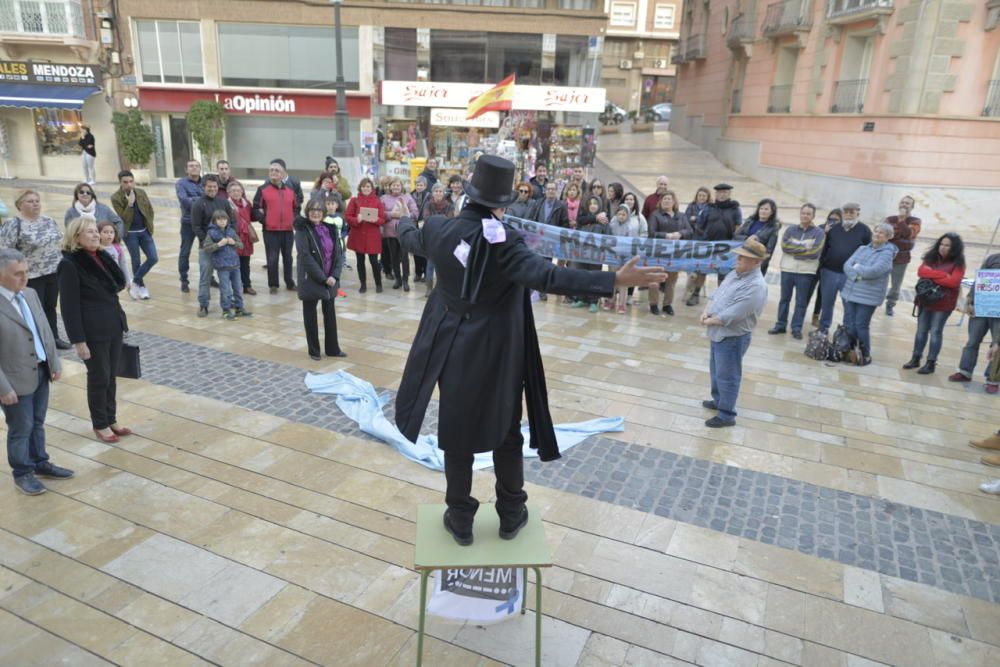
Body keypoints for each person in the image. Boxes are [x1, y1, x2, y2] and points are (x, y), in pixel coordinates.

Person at [395, 155, 667, 545]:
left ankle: (460, 518)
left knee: (455, 435)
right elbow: (549, 275)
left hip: (451, 349)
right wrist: (612, 281)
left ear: (468, 194)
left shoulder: (439, 228)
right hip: (498, 354)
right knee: (506, 431)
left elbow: (411, 238)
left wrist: (404, 219)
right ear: (503, 203)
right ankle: (510, 514)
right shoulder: (506, 242)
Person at [0, 249, 72, 495]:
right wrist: (3, 387)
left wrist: (54, 362)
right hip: (13, 380)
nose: (25, 278)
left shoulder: (30, 294)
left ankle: (40, 462)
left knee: (38, 423)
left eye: (26, 272)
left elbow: (44, 328)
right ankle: (22, 473)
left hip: (40, 371)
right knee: (21, 427)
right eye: (17, 274)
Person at [58, 217, 131, 445]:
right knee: (99, 377)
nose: (95, 235)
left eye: (95, 231)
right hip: (92, 330)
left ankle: (111, 418)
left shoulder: (102, 256)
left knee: (111, 376)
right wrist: (79, 341)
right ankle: (100, 423)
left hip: (112, 325)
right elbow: (69, 307)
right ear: (76, 236)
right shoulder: (70, 264)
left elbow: (116, 286)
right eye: (89, 232)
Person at [699, 238, 769, 428]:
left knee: (728, 376)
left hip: (732, 337)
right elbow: (716, 295)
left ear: (756, 262)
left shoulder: (756, 286)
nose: (738, 259)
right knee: (716, 371)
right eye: (739, 255)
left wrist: (709, 320)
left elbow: (734, 314)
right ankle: (719, 401)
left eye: (744, 257)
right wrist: (706, 310)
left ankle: (726, 414)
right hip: (717, 332)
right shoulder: (735, 274)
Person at [0, 191, 70, 349]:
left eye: (37, 200)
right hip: (30, 276)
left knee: (50, 307)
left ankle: (53, 337)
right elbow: (4, 252)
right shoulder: (13, 224)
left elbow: (60, 242)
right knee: (33, 310)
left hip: (53, 272)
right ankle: (37, 341)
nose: (35, 204)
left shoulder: (49, 221)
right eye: (30, 201)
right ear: (20, 205)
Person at [903, 233, 966, 375]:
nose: (943, 247)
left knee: (936, 331)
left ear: (954, 247)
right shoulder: (931, 257)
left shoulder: (958, 263)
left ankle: (931, 362)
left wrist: (932, 274)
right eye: (942, 244)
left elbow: (953, 282)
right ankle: (915, 358)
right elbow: (921, 271)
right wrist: (943, 275)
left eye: (947, 245)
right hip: (925, 299)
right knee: (921, 330)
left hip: (944, 302)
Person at [839, 222, 897, 366]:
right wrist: (858, 275)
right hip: (851, 293)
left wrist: (857, 268)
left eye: (881, 233)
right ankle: (851, 352)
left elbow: (874, 271)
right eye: (875, 231)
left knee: (861, 325)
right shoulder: (862, 248)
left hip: (868, 297)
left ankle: (865, 354)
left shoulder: (887, 254)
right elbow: (846, 265)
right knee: (851, 325)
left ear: (888, 237)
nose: (877, 234)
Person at [295, 200, 346, 361]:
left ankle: (333, 349)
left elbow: (339, 254)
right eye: (312, 209)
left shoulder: (330, 228)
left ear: (323, 212)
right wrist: (323, 279)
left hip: (330, 278)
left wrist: (335, 276)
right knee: (310, 316)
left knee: (330, 315)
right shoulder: (302, 230)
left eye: (318, 210)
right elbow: (305, 257)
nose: (315, 212)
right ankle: (314, 350)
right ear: (307, 211)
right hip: (312, 278)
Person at [770, 204, 825, 339]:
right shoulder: (790, 229)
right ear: (800, 214)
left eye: (808, 214)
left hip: (806, 272)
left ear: (813, 216)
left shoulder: (819, 233)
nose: (805, 216)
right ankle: (780, 325)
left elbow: (814, 252)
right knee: (784, 299)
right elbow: (785, 247)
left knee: (801, 301)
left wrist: (795, 249)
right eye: (803, 213)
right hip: (787, 269)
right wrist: (804, 248)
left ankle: (796, 327)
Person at [950, 252, 1000, 392]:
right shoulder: (993, 258)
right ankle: (965, 371)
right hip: (982, 306)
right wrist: (970, 300)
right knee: (972, 341)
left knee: (998, 346)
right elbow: (979, 280)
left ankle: (993, 379)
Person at [817, 203, 870, 332]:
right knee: (826, 304)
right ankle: (823, 330)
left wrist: (859, 271)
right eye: (846, 212)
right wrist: (822, 266)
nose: (848, 214)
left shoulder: (865, 230)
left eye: (852, 212)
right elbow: (825, 248)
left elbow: (868, 253)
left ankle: (846, 333)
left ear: (858, 212)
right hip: (829, 272)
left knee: (849, 306)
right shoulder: (834, 229)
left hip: (849, 276)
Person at [253, 160, 299, 294]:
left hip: (288, 230)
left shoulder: (291, 191)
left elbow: (296, 207)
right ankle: (273, 284)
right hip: (270, 231)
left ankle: (289, 282)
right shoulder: (262, 190)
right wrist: (265, 220)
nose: (273, 172)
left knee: (288, 258)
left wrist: (293, 219)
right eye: (271, 170)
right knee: (272, 258)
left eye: (276, 170)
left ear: (283, 173)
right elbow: (256, 208)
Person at [110, 170, 157, 301]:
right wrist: (130, 204)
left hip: (144, 231)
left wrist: (149, 225)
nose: (129, 185)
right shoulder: (116, 197)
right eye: (125, 182)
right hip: (130, 234)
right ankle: (141, 287)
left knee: (153, 257)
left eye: (131, 181)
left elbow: (150, 210)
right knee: (136, 260)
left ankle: (134, 281)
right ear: (120, 182)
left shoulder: (141, 192)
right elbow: (123, 218)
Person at [191, 175, 234, 316]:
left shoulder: (224, 202)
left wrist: (229, 238)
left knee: (225, 277)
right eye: (209, 186)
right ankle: (203, 304)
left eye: (215, 186)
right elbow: (196, 227)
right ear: (204, 187)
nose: (212, 189)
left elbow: (233, 222)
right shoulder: (198, 204)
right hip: (206, 248)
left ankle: (227, 303)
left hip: (224, 247)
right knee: (205, 277)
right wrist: (210, 243)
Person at [647, 190, 692, 316]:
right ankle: (653, 304)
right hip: (658, 254)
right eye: (664, 199)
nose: (667, 201)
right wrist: (665, 235)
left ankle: (667, 304)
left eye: (669, 199)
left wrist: (680, 234)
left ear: (674, 202)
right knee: (655, 280)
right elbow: (652, 233)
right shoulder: (655, 215)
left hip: (675, 255)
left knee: (671, 282)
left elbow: (689, 231)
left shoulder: (682, 216)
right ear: (661, 201)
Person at [204, 210, 251, 320]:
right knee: (226, 290)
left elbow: (241, 245)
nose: (222, 221)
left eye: (224, 219)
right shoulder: (211, 233)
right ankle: (226, 310)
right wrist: (218, 244)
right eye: (219, 219)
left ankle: (239, 308)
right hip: (222, 267)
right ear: (215, 221)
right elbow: (207, 248)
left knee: (238, 288)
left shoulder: (231, 231)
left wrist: (233, 243)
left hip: (235, 265)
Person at [345, 177, 386, 293]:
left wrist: (376, 220)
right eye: (363, 186)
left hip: (372, 236)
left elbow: (383, 219)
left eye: (368, 186)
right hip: (358, 234)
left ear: (372, 188)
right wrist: (356, 220)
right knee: (360, 261)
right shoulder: (354, 200)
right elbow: (347, 216)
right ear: (360, 188)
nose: (365, 188)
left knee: (374, 261)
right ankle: (363, 284)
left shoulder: (378, 201)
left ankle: (378, 284)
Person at [570, 197, 610, 312]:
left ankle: (593, 301)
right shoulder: (583, 219)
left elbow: (607, 237)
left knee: (594, 277)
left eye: (595, 203)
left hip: (596, 256)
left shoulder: (604, 221)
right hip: (581, 254)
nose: (593, 205)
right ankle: (581, 298)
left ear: (600, 205)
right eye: (590, 203)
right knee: (582, 275)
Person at [884, 195, 921, 317]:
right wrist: (900, 231)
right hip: (885, 255)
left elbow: (909, 233)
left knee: (896, 284)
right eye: (903, 202)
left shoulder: (915, 221)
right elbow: (887, 234)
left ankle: (890, 303)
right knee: (879, 280)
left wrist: (900, 221)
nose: (904, 205)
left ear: (912, 207)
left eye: (908, 203)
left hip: (901, 258)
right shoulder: (889, 219)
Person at [380, 176, 420, 292]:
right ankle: (397, 278)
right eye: (393, 185)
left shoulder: (407, 197)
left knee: (405, 257)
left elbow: (415, 212)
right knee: (394, 257)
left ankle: (405, 280)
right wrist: (392, 214)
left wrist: (404, 215)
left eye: (398, 185)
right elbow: (381, 213)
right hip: (390, 232)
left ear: (402, 186)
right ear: (390, 187)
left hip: (404, 232)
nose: (396, 187)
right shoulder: (384, 198)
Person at [609, 204, 646, 314]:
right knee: (611, 279)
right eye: (619, 214)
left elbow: (632, 243)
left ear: (628, 215)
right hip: (613, 255)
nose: (621, 216)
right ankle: (610, 300)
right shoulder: (612, 223)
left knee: (623, 281)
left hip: (626, 256)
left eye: (624, 214)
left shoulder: (632, 226)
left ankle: (621, 304)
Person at [420, 183, 454, 295]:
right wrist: (441, 219)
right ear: (433, 193)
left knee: (442, 265)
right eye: (436, 191)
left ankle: (441, 288)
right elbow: (426, 218)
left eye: (440, 191)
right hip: (431, 238)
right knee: (430, 265)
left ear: (443, 193)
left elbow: (449, 220)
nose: (438, 193)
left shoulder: (449, 206)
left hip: (444, 238)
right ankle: (429, 287)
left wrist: (435, 220)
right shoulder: (428, 205)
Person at [175, 159, 204, 293]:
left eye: (196, 166)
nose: (194, 168)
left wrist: (194, 199)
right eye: (191, 166)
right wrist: (202, 201)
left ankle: (209, 277)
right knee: (185, 251)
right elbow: (185, 202)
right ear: (186, 170)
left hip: (204, 222)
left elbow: (211, 198)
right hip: (188, 223)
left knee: (206, 251)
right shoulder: (181, 183)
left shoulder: (205, 182)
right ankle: (184, 279)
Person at [734, 198, 781, 276]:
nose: (763, 211)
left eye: (766, 209)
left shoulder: (773, 228)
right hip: (741, 259)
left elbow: (769, 251)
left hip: (756, 263)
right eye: (761, 208)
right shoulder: (750, 221)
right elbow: (736, 236)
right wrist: (747, 239)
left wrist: (759, 266)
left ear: (772, 212)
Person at [227, 180, 258, 296]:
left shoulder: (247, 204)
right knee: (234, 263)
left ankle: (247, 285)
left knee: (246, 263)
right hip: (234, 237)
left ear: (242, 192)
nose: (236, 193)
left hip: (246, 238)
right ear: (229, 192)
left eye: (239, 190)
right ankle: (236, 285)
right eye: (233, 191)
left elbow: (252, 217)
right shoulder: (227, 204)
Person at [683, 187, 712, 306]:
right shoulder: (691, 206)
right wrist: (694, 220)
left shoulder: (710, 208)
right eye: (700, 195)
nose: (702, 198)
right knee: (691, 265)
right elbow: (686, 220)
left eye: (704, 196)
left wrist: (696, 219)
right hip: (692, 238)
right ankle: (691, 285)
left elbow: (707, 222)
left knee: (701, 267)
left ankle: (695, 290)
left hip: (704, 240)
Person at [97, 221, 133, 299]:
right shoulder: (96, 248)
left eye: (111, 232)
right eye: (105, 232)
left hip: (114, 280)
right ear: (98, 233)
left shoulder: (117, 248)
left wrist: (127, 280)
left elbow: (123, 264)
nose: (109, 234)